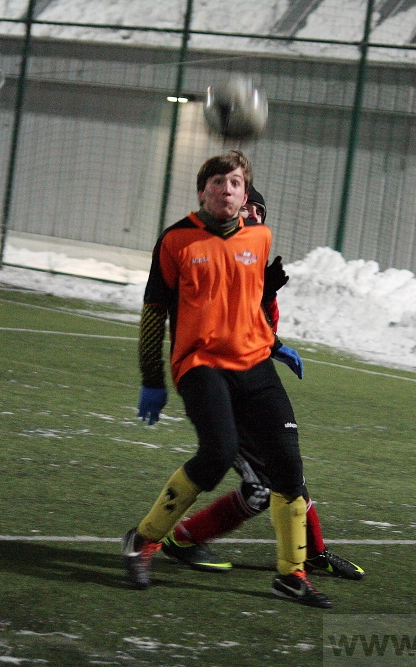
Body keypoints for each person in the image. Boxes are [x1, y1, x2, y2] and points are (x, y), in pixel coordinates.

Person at [123, 150, 332, 607]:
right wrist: (151, 377)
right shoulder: (176, 240)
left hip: (254, 365)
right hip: (201, 365)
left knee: (288, 468)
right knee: (216, 453)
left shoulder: (259, 238)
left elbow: (246, 307)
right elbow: (154, 313)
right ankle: (143, 540)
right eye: (217, 182)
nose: (226, 189)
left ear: (245, 195)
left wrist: (274, 346)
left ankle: (290, 575)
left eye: (235, 183)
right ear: (202, 191)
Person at [158, 187, 364, 581]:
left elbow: (259, 333)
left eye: (259, 209)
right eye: (245, 205)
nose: (251, 212)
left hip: (251, 387)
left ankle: (312, 553)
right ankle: (180, 539)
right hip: (216, 384)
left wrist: (266, 296)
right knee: (262, 488)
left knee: (288, 472)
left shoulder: (254, 262)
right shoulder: (210, 252)